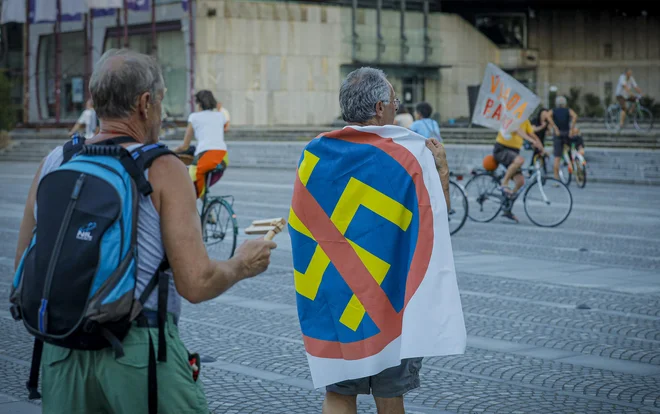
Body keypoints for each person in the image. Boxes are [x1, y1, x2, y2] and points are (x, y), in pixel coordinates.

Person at [14, 49, 276, 414]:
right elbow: (196, 283)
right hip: (138, 353)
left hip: (60, 353)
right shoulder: (162, 168)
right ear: (145, 103)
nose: (162, 114)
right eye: (162, 101)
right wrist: (243, 263)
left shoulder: (55, 161)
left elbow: (23, 266)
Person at [322, 67, 451, 414]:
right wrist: (440, 170)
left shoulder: (320, 155)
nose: (396, 107)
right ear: (380, 109)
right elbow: (435, 222)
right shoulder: (405, 156)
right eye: (394, 101)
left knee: (339, 392)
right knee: (389, 395)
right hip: (391, 295)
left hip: (341, 293)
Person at [174, 90, 229, 198]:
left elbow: (185, 146)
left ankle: (192, 212)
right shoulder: (220, 116)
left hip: (205, 157)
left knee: (189, 185)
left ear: (199, 104)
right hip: (223, 158)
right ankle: (209, 213)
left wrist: (171, 151)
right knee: (200, 185)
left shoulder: (194, 117)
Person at [492, 119, 544, 221]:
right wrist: (531, 141)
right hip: (502, 149)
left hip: (514, 151)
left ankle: (507, 207)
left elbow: (532, 134)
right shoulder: (512, 116)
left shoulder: (526, 121)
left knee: (520, 182)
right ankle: (504, 183)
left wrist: (542, 148)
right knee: (520, 160)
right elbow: (517, 130)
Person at [548, 96, 578, 181]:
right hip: (567, 132)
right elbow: (575, 116)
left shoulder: (553, 110)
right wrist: (572, 128)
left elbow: (547, 116)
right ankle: (573, 171)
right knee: (570, 153)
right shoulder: (568, 110)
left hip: (558, 134)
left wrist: (554, 127)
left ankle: (556, 178)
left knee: (557, 157)